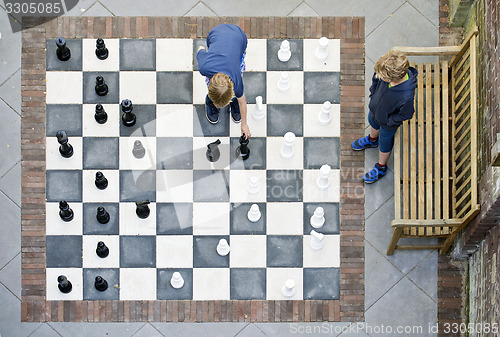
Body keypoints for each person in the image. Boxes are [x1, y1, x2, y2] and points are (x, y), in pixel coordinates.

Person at [352, 50, 418, 183]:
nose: (379, 76)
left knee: (385, 142)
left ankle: (381, 166)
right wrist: (373, 94)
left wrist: (389, 121)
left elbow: (406, 114)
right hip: (376, 111)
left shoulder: (406, 96)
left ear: (394, 77)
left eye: (382, 76)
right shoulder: (383, 72)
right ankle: (372, 140)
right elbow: (375, 79)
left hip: (388, 124)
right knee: (372, 123)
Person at [196, 24, 251, 139]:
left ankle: (232, 101)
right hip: (215, 35)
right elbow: (200, 49)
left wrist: (244, 124)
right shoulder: (204, 67)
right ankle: (211, 101)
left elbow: (243, 101)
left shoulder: (236, 78)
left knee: (239, 64)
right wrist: (207, 53)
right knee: (210, 81)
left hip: (239, 37)